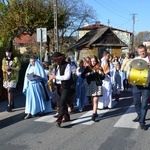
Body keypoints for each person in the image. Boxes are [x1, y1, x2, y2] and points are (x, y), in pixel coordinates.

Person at [128, 44, 150, 130]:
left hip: (147, 85)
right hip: (136, 85)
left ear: (146, 50)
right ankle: (140, 115)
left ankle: (142, 122)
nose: (142, 53)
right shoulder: (135, 60)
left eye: (143, 51)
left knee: (144, 104)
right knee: (136, 102)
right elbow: (129, 69)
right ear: (138, 52)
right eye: (140, 52)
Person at [49, 52, 73, 127]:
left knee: (62, 102)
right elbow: (54, 76)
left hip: (65, 87)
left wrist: (55, 77)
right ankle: (66, 117)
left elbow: (67, 77)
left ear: (60, 59)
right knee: (61, 103)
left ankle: (59, 120)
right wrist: (51, 80)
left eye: (56, 60)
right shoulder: (56, 66)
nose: (54, 62)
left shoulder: (67, 65)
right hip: (58, 87)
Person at [81, 56, 105, 121]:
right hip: (91, 84)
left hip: (97, 84)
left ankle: (93, 115)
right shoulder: (88, 68)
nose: (93, 62)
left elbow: (103, 77)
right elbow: (82, 75)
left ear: (96, 61)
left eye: (94, 61)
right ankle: (96, 112)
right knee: (92, 100)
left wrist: (101, 74)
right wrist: (87, 74)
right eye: (91, 61)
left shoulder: (99, 67)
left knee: (95, 100)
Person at [2, 47, 21, 112]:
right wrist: (5, 70)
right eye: (7, 52)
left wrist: (10, 67)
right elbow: (3, 68)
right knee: (9, 91)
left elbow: (18, 69)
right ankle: (12, 102)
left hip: (13, 77)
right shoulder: (4, 60)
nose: (8, 54)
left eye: (9, 52)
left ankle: (9, 105)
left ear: (11, 53)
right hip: (7, 77)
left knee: (10, 89)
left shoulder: (15, 59)